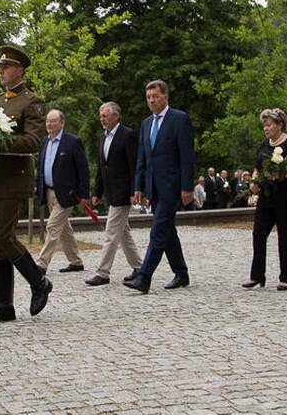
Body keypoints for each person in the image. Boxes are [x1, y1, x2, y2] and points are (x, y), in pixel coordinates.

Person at [0, 46, 53, 323]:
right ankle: (4, 305)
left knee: (3, 236)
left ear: (20, 70)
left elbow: (33, 141)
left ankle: (39, 282)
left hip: (15, 177)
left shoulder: (31, 102)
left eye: (6, 66)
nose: (1, 70)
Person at [124, 80, 195, 294]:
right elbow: (142, 158)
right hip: (154, 187)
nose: (151, 101)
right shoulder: (146, 124)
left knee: (158, 231)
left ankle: (144, 277)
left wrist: (187, 186)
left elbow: (187, 156)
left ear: (165, 96)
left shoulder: (179, 119)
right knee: (167, 231)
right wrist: (138, 186)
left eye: (155, 96)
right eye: (148, 97)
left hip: (173, 186)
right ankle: (181, 273)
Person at [242, 108, 287, 291]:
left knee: (285, 236)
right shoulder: (263, 145)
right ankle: (257, 275)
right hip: (266, 196)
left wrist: (283, 173)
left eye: (269, 124)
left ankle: (285, 277)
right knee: (258, 234)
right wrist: (254, 182)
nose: (266, 128)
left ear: (279, 125)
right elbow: (257, 167)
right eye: (264, 125)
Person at [86, 102, 143, 286]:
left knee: (111, 232)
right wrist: (97, 192)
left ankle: (103, 272)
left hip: (124, 192)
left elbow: (134, 165)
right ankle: (139, 267)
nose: (102, 118)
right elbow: (103, 168)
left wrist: (136, 190)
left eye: (105, 115)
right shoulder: (102, 138)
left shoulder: (128, 135)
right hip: (111, 192)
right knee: (123, 233)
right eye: (101, 115)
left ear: (116, 116)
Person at [35, 109, 89, 274]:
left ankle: (41, 264)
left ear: (62, 122)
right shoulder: (44, 141)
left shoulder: (72, 142)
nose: (49, 124)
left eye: (53, 121)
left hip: (67, 194)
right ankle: (76, 262)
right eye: (47, 121)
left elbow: (83, 170)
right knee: (64, 228)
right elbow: (41, 166)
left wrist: (85, 194)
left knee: (52, 227)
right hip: (49, 191)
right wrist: (37, 185)